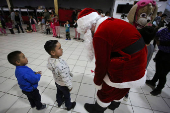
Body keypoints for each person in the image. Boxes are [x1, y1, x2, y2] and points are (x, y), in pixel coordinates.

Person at [77, 8, 147, 113]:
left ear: (89, 26)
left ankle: (98, 109)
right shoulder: (109, 21)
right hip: (139, 59)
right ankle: (114, 105)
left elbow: (101, 63)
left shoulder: (100, 33)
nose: (90, 34)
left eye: (87, 31)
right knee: (124, 87)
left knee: (107, 88)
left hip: (127, 63)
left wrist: (98, 81)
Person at [124, 26, 156, 101]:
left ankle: (121, 94)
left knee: (124, 81)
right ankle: (126, 93)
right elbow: (148, 59)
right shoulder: (151, 47)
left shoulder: (137, 46)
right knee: (129, 83)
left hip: (130, 68)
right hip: (140, 69)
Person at [44, 40, 76, 111]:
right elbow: (65, 78)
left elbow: (49, 66)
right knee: (67, 96)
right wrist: (69, 86)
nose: (62, 49)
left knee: (59, 92)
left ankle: (59, 102)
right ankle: (69, 106)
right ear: (52, 52)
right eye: (59, 48)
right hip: (64, 84)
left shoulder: (50, 59)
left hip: (57, 82)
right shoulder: (60, 65)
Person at [146, 22, 170, 96]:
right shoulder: (165, 30)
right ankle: (153, 81)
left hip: (169, 55)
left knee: (163, 73)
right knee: (158, 68)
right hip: (161, 52)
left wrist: (161, 42)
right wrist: (157, 41)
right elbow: (156, 35)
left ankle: (159, 88)